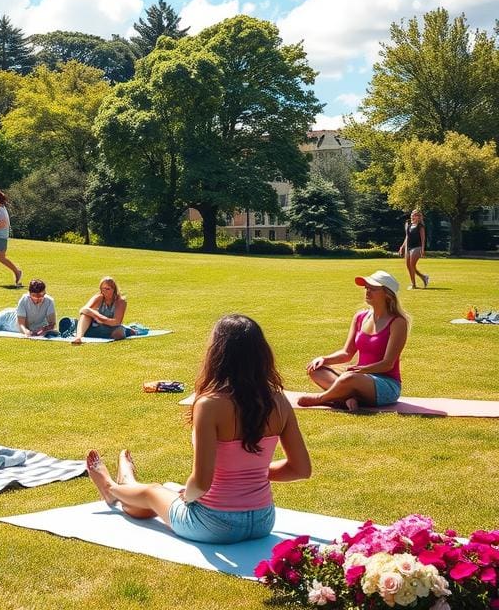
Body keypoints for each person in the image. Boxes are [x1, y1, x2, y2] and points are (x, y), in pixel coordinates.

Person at [84, 314, 311, 544]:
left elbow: (202, 483)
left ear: (217, 354)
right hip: (262, 521)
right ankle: (128, 482)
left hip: (214, 525)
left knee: (153, 492)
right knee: (155, 503)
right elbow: (300, 469)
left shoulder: (210, 404)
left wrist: (192, 495)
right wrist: (250, 473)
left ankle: (111, 488)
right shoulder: (279, 401)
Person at [299, 270, 408, 411]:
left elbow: (387, 364)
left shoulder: (397, 322)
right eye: (366, 288)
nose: (367, 291)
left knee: (349, 378)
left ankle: (322, 399)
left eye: (373, 289)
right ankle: (347, 398)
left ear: (387, 294)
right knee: (315, 369)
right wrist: (324, 359)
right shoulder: (360, 317)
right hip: (358, 377)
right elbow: (346, 353)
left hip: (386, 385)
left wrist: (359, 371)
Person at [69, 276, 132, 345]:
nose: (104, 291)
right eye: (102, 289)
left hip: (111, 328)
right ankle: (78, 337)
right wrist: (94, 315)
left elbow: (116, 322)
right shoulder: (99, 297)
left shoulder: (120, 301)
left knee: (120, 333)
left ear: (114, 289)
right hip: (97, 327)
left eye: (107, 289)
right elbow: (83, 310)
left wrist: (98, 317)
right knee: (86, 315)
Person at [399, 209, 430, 290]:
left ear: (418, 217)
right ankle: (421, 279)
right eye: (412, 214)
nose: (412, 216)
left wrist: (422, 249)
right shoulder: (408, 224)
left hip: (417, 247)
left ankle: (413, 284)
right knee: (408, 266)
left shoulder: (420, 226)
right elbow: (407, 237)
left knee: (412, 265)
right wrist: (402, 247)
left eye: (414, 215)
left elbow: (423, 238)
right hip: (408, 247)